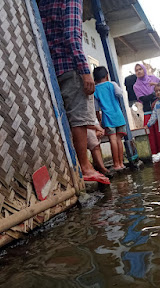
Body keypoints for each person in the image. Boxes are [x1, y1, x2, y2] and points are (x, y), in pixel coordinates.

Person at [39, 0, 110, 184]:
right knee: (79, 119)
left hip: (52, 67)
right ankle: (85, 167)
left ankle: (77, 165)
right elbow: (72, 35)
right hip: (71, 67)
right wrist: (86, 71)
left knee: (66, 119)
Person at [133, 64, 160, 157]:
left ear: (144, 70)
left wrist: (156, 100)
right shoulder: (136, 86)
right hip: (148, 111)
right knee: (150, 134)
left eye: (140, 69)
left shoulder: (153, 79)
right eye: (136, 70)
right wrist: (154, 95)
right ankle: (152, 155)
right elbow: (143, 98)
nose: (138, 71)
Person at [93, 66, 127, 171]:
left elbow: (96, 108)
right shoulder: (112, 84)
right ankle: (121, 163)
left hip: (108, 118)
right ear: (106, 76)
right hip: (119, 116)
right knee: (119, 140)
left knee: (112, 139)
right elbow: (119, 94)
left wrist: (99, 121)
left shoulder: (95, 90)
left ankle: (116, 164)